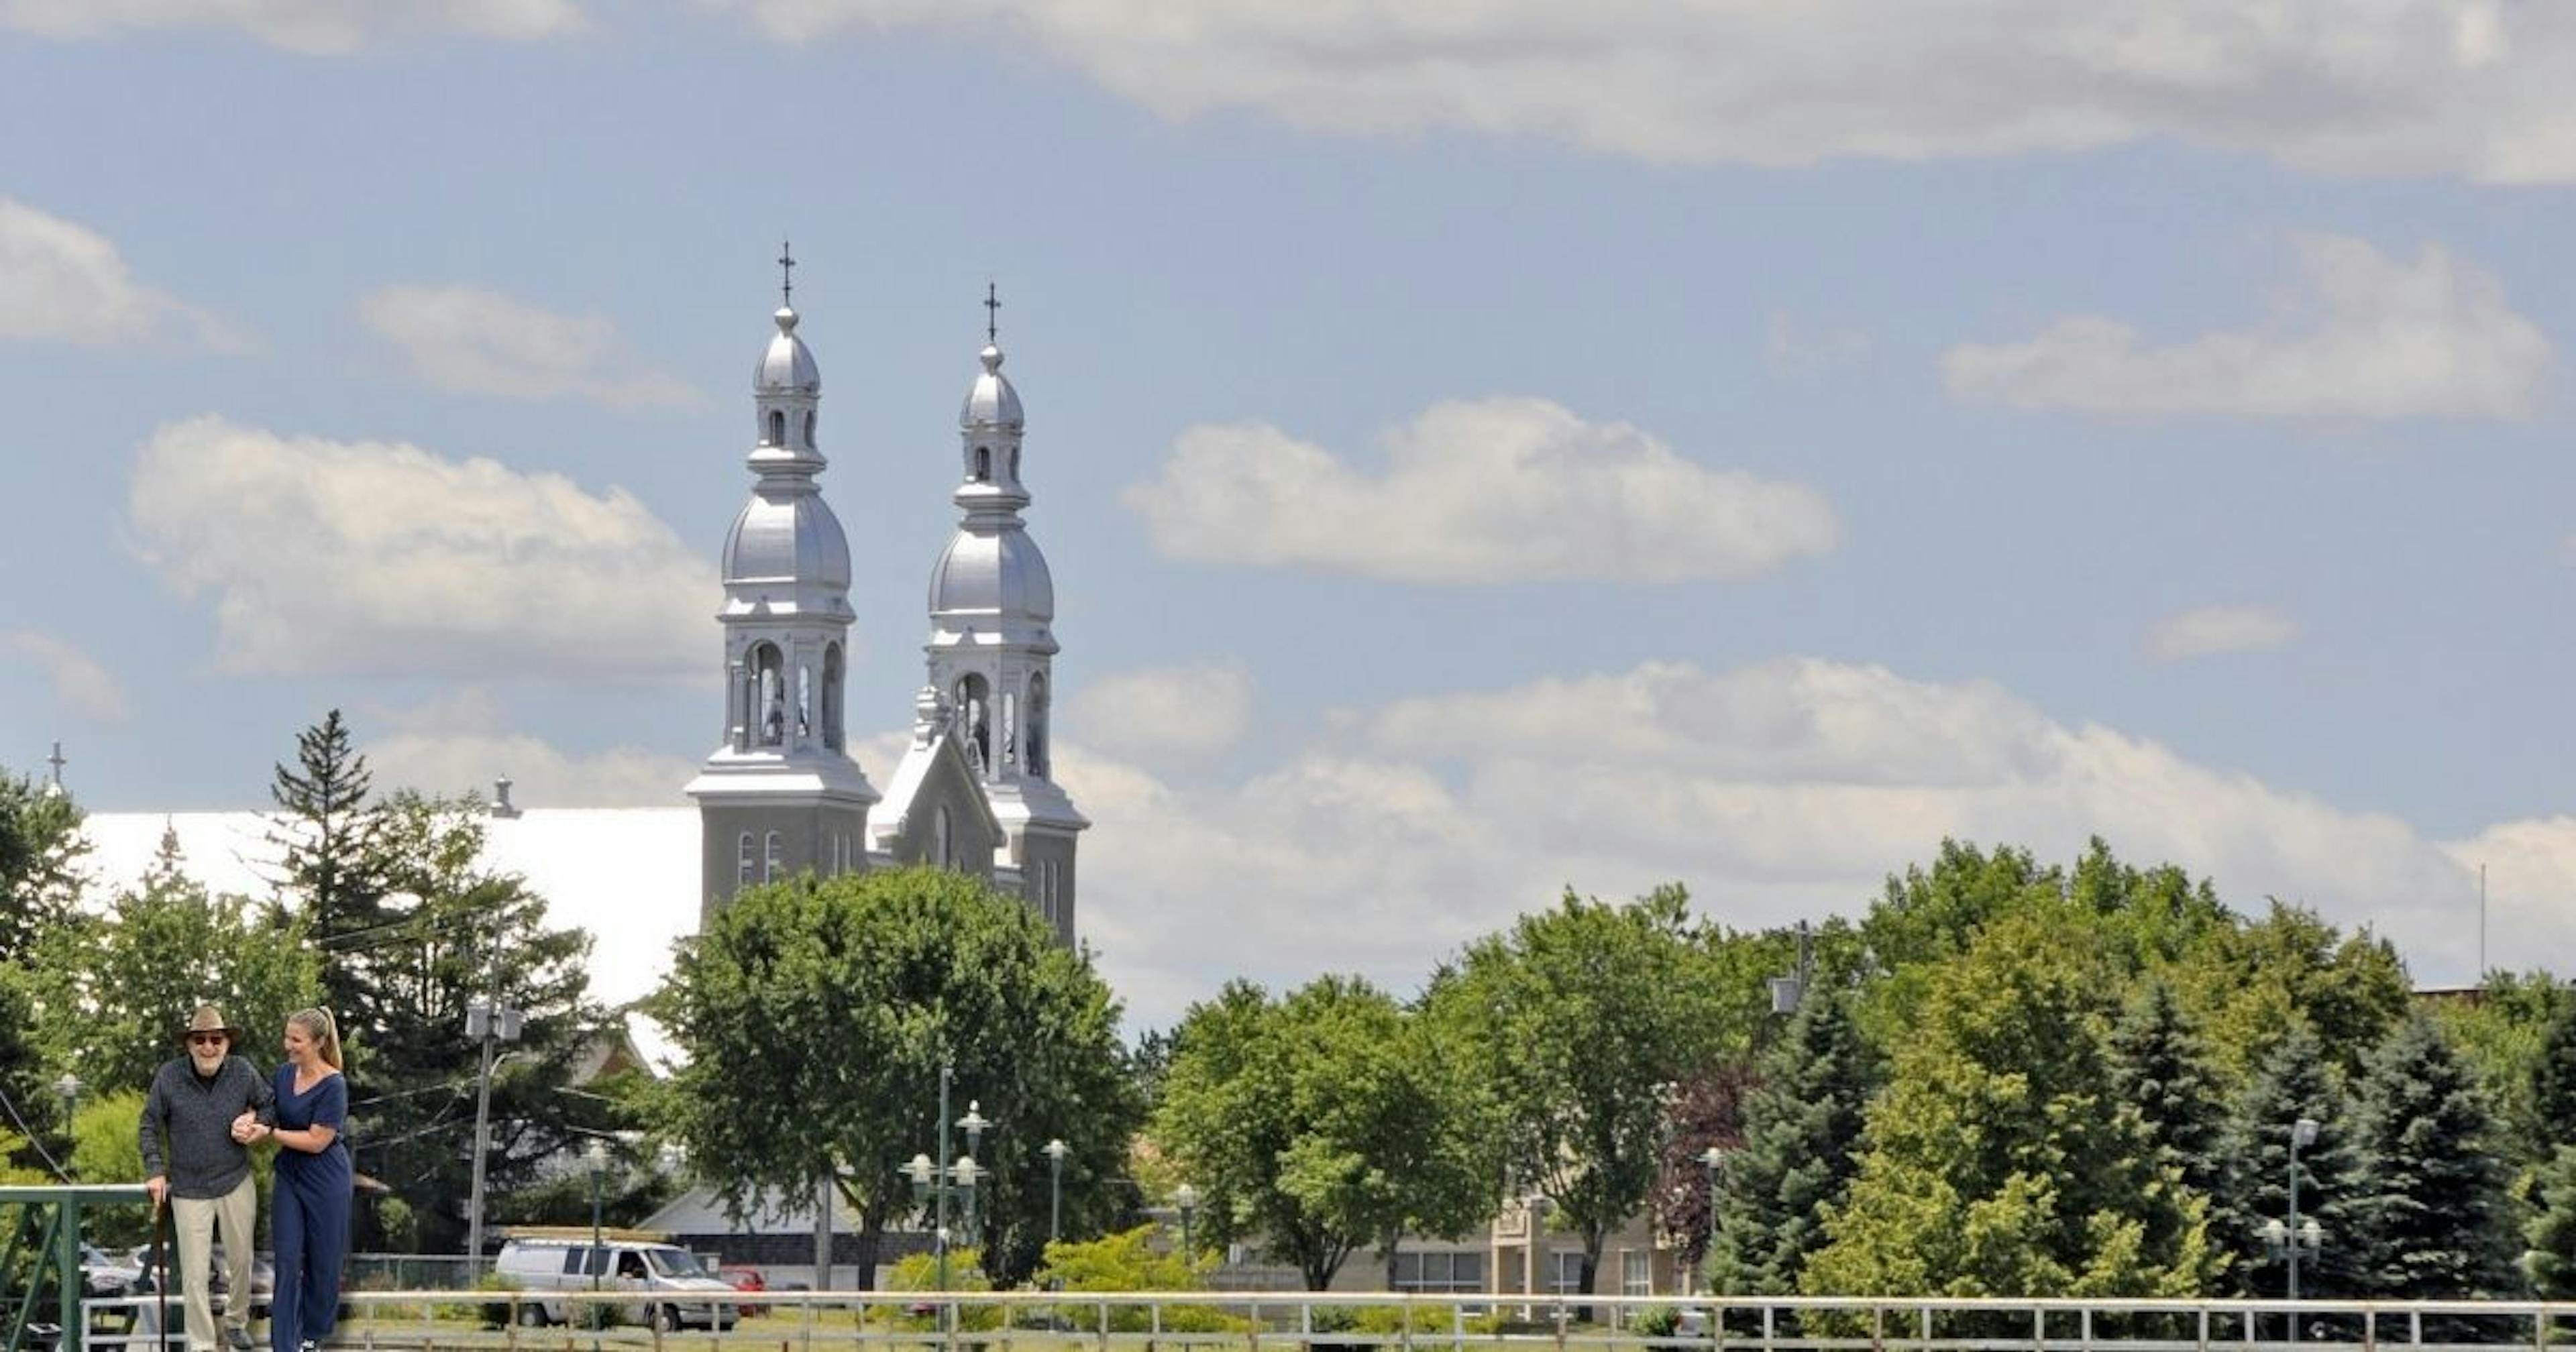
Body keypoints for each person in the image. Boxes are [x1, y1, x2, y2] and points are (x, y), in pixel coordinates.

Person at [138, 1004, 274, 1352]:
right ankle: (201, 1344)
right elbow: (149, 1124)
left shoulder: (243, 1072)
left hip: (236, 1179)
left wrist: (255, 1120)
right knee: (195, 1275)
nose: (208, 1046)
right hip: (188, 1188)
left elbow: (272, 1104)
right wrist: (155, 1170)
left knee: (242, 1259)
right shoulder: (169, 1077)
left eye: (216, 1039)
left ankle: (235, 1323)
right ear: (189, 1044)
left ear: (227, 1043)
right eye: (200, 1040)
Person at [246, 1008, 350, 1352]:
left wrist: (271, 1133)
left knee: (323, 1262)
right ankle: (284, 1345)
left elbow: (318, 1140)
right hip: (290, 1175)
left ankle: (312, 1337)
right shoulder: (282, 1074)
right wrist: (250, 1122)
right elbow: (271, 1111)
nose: (287, 1045)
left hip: (326, 1179)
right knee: (288, 1258)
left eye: (296, 1039)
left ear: (318, 1043)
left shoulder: (334, 1084)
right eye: (287, 1036)